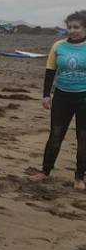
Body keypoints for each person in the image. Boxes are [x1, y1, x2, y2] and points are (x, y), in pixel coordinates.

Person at [29, 10, 86, 191]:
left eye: (76, 27)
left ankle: (79, 177)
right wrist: (46, 95)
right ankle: (45, 171)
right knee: (55, 135)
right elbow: (50, 71)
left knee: (83, 138)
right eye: (69, 27)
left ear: (84, 28)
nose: (72, 30)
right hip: (62, 96)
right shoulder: (58, 46)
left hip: (84, 97)